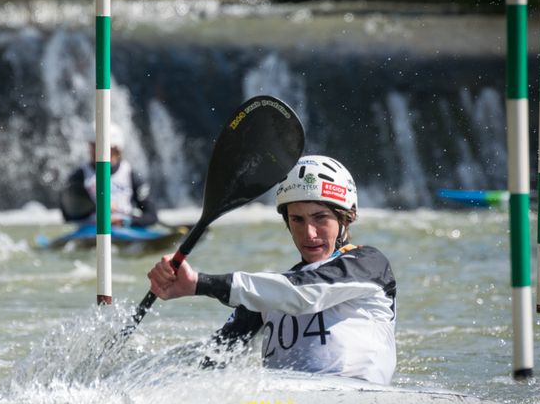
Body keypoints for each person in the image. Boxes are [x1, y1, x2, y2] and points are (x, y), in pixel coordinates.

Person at [146, 155, 397, 385]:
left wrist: (199, 284)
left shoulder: (369, 264)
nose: (309, 233)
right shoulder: (267, 293)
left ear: (346, 217)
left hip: (360, 395)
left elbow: (302, 294)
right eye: (297, 220)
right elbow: (215, 356)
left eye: (320, 217)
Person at [60, 124, 158, 228]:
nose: (97, 152)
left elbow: (151, 216)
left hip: (124, 228)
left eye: (103, 148)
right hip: (92, 229)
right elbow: (68, 214)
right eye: (93, 146)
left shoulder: (132, 176)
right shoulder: (78, 177)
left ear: (117, 149)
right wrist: (99, 207)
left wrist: (125, 222)